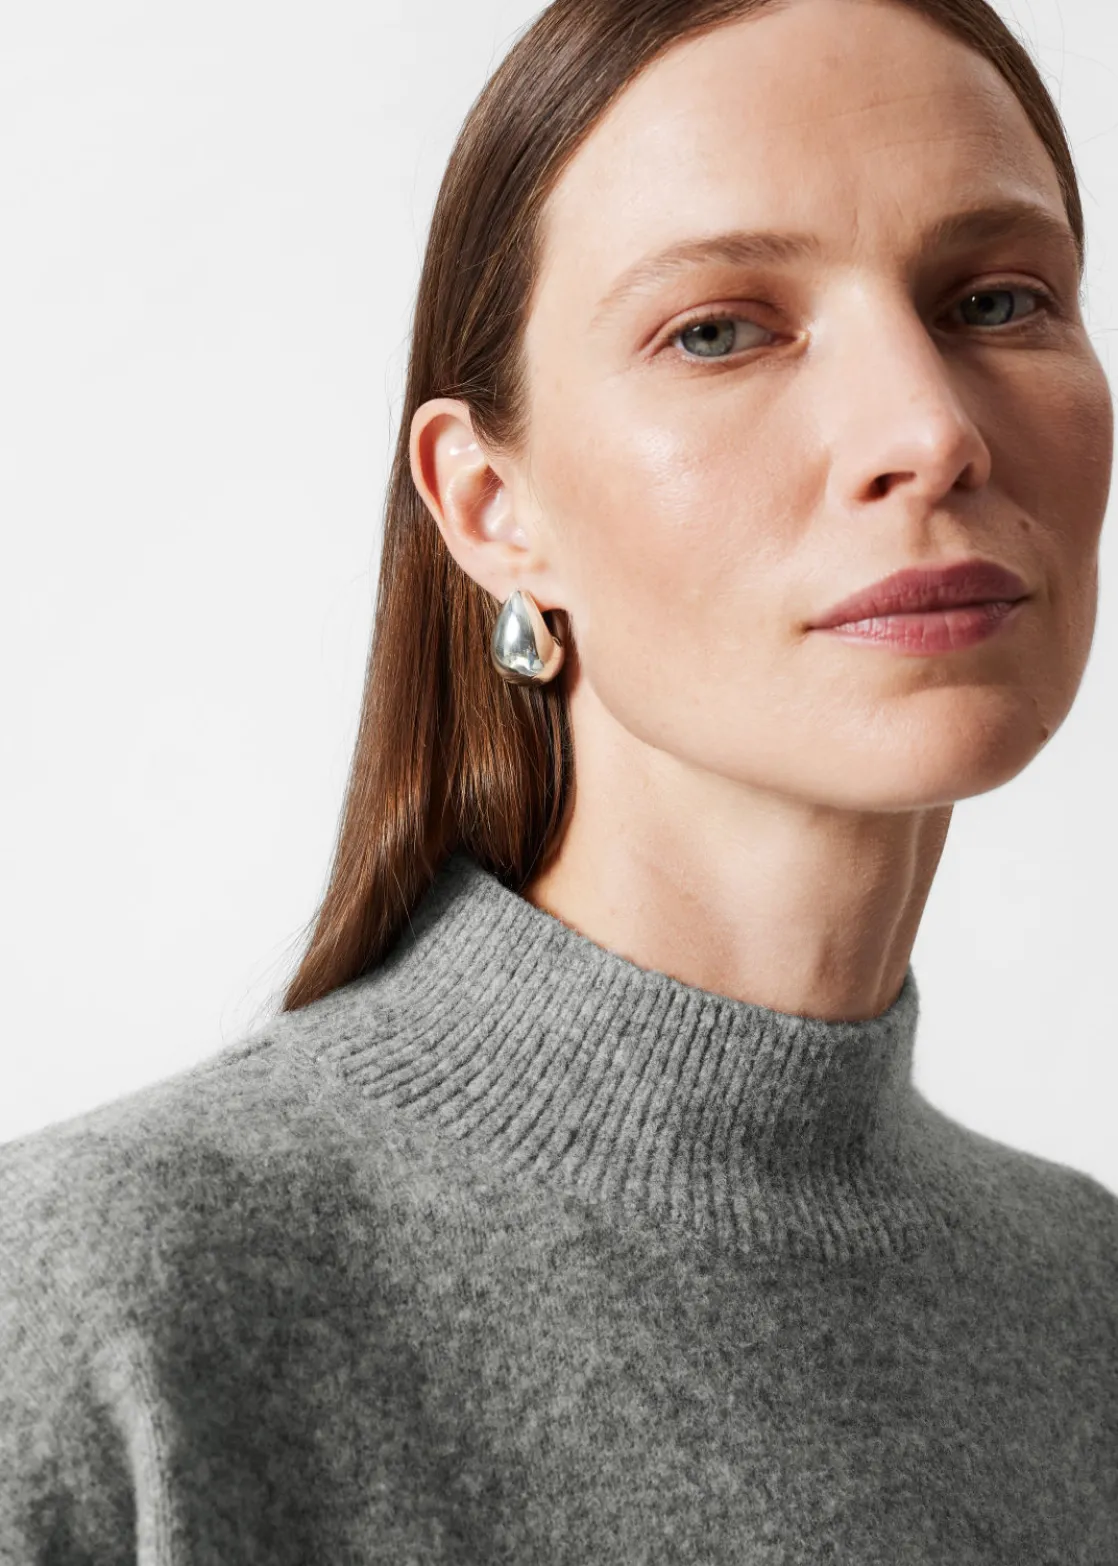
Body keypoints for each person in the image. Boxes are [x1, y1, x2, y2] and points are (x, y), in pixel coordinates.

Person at [2, 0, 1115, 1559]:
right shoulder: (101, 1303)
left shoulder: (1085, 1301)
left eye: (995, 300)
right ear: (488, 506)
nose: (929, 431)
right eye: (718, 329)